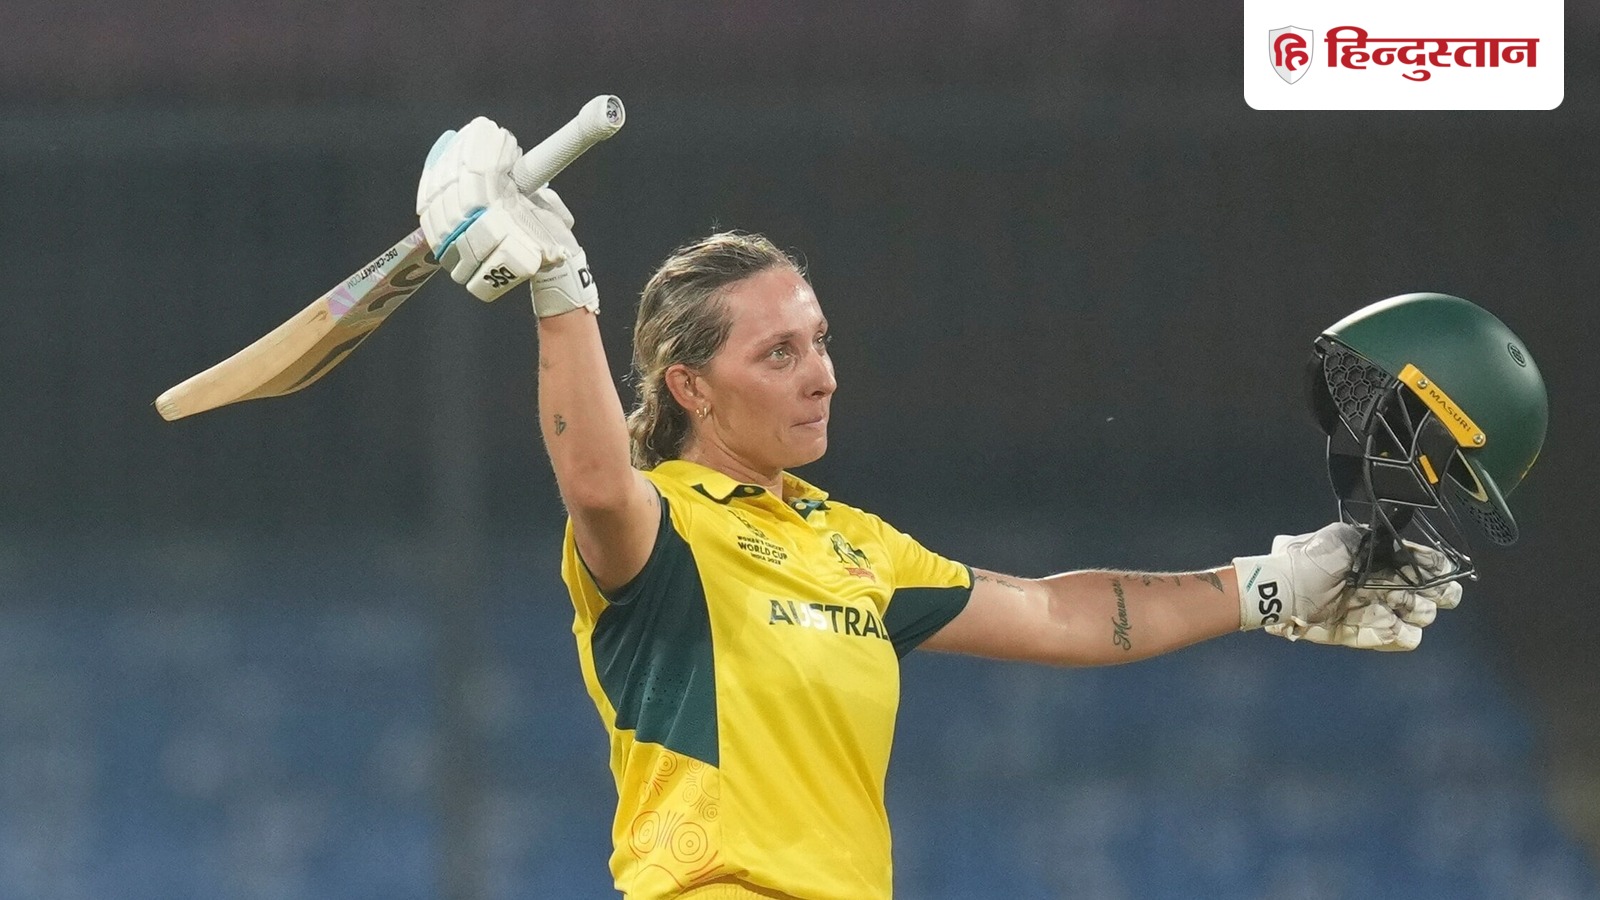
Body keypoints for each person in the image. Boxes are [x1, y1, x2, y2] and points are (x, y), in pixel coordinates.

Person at [414, 117, 1463, 900]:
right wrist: (561, 292)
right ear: (690, 388)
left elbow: (1058, 614)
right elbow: (596, 484)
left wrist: (1275, 585)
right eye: (777, 354)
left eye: (819, 342)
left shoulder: (854, 546)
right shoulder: (663, 533)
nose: (821, 375)